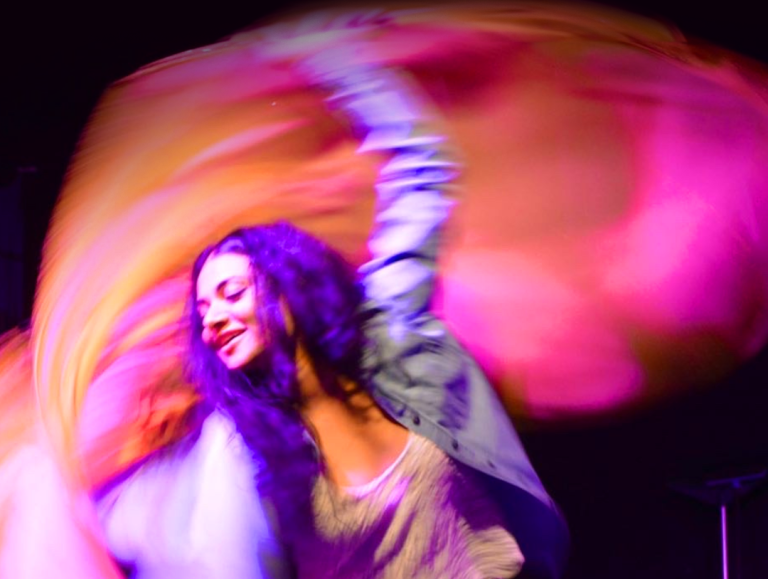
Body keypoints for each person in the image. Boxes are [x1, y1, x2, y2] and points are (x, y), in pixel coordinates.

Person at [94, 56, 569, 579]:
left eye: (231, 292)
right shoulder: (239, 445)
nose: (213, 320)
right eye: (203, 311)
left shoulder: (386, 336)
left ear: (286, 283)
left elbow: (422, 174)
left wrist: (335, 60)